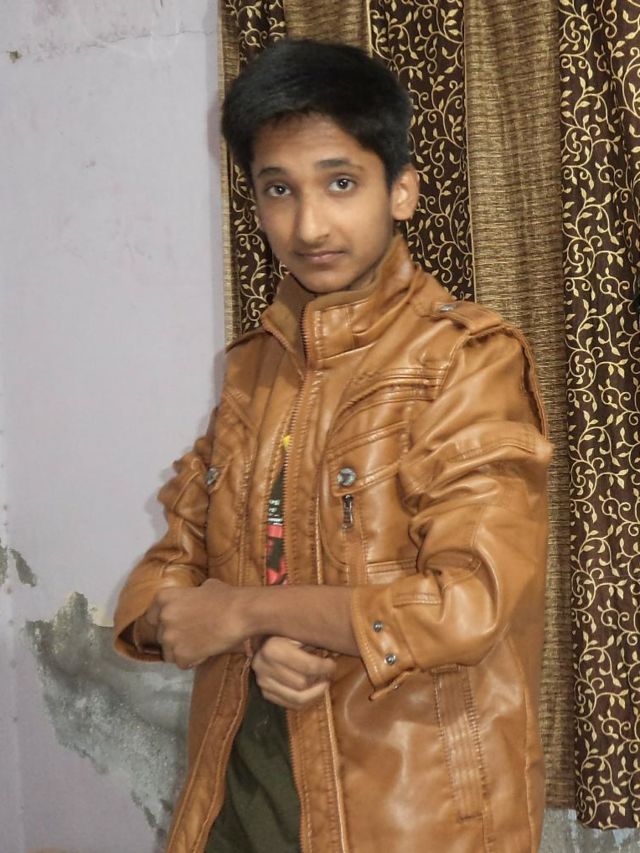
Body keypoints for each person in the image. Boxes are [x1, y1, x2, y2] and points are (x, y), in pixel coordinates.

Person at [113, 38, 551, 853]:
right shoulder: (253, 371)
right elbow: (162, 578)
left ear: (402, 190)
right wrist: (251, 637)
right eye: (279, 189)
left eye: (340, 182)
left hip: (412, 814)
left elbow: (468, 603)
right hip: (240, 801)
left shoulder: (466, 360)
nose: (309, 223)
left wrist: (244, 609)